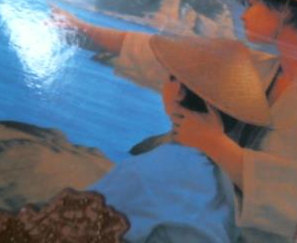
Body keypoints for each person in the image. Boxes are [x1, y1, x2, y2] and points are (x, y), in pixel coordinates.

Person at [53, 0, 297, 242]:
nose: (244, 16)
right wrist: (88, 33)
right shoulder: (268, 67)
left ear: (284, 9)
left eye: (251, 4)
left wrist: (215, 144)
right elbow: (177, 59)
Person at [90, 35, 270, 243]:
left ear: (178, 92)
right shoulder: (227, 181)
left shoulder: (145, 172)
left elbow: (81, 223)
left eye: (171, 77)